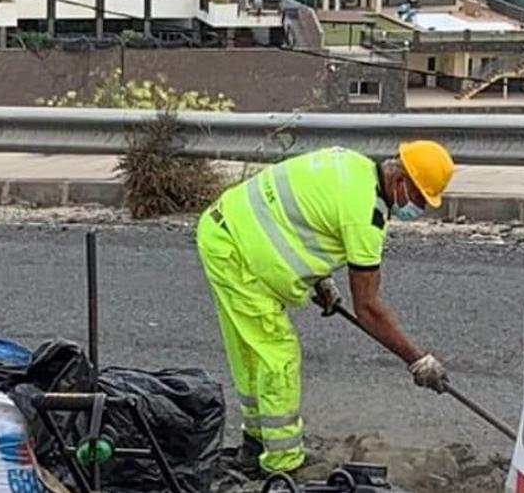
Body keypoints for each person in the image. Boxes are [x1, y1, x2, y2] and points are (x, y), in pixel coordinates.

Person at [195, 141, 455, 477]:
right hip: (240, 257)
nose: (419, 207)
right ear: (400, 180)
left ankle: (256, 445)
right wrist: (418, 360)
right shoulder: (366, 217)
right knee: (278, 356)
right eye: (420, 198)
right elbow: (368, 307)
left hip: (222, 230)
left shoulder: (352, 163)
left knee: (251, 353)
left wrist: (319, 280)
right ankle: (284, 464)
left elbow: (304, 218)